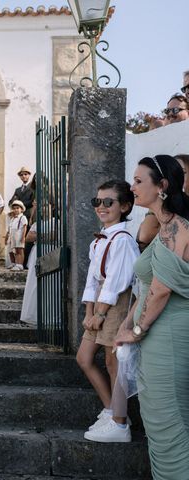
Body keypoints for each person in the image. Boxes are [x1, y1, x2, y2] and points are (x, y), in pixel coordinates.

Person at [115, 155, 189, 478]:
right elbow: (145, 287)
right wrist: (126, 323)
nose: (132, 187)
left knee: (169, 422)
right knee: (159, 425)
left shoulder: (178, 228)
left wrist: (136, 329)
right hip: (155, 335)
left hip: (168, 335)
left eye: (138, 181)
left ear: (162, 186)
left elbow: (160, 291)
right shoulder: (162, 227)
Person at [75, 180, 139, 443]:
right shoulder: (101, 238)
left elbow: (116, 283)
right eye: (97, 202)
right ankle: (112, 409)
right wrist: (89, 311)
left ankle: (120, 423)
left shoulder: (122, 240)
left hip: (117, 303)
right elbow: (92, 279)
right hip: (100, 303)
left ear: (124, 206)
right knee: (84, 357)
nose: (101, 207)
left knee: (114, 362)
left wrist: (100, 314)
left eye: (108, 202)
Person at [5, 200, 28, 271]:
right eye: (14, 208)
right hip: (13, 235)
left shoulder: (22, 217)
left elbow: (24, 227)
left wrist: (23, 237)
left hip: (19, 235)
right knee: (14, 250)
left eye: (18, 208)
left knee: (19, 250)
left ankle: (20, 264)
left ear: (21, 209)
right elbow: (9, 229)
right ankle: (15, 263)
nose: (16, 210)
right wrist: (6, 237)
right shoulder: (13, 218)